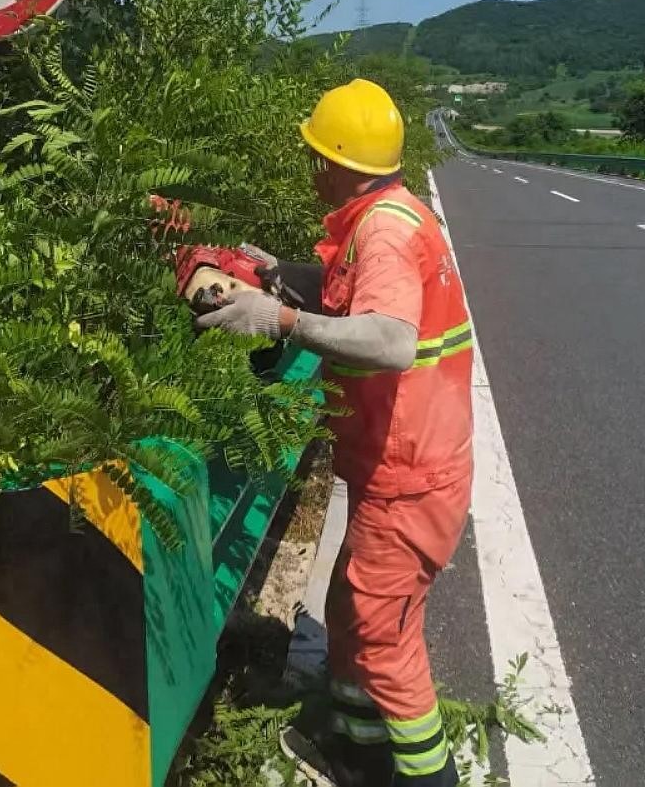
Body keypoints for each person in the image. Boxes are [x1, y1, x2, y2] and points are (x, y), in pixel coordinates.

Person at [195, 79, 473, 787]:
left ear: (337, 161)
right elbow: (347, 291)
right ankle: (356, 746)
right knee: (352, 609)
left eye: (315, 155)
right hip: (398, 463)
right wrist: (276, 275)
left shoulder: (384, 232)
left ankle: (426, 776)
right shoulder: (386, 214)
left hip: (409, 472)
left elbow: (390, 340)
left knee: (385, 641)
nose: (310, 167)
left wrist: (281, 320)